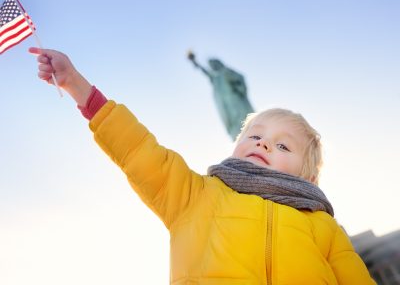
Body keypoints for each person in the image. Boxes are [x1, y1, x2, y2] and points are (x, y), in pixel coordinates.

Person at [29, 47, 376, 284]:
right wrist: (77, 86)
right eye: (255, 136)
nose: (264, 143)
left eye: (283, 145)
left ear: (309, 176)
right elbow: (139, 151)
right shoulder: (196, 195)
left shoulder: (321, 225)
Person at [188, 51, 254, 141]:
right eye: (211, 65)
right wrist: (194, 62)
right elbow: (204, 71)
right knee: (233, 125)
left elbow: (240, 78)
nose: (212, 67)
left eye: (213, 64)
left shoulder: (226, 72)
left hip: (234, 100)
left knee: (244, 120)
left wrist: (239, 88)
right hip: (224, 105)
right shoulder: (215, 77)